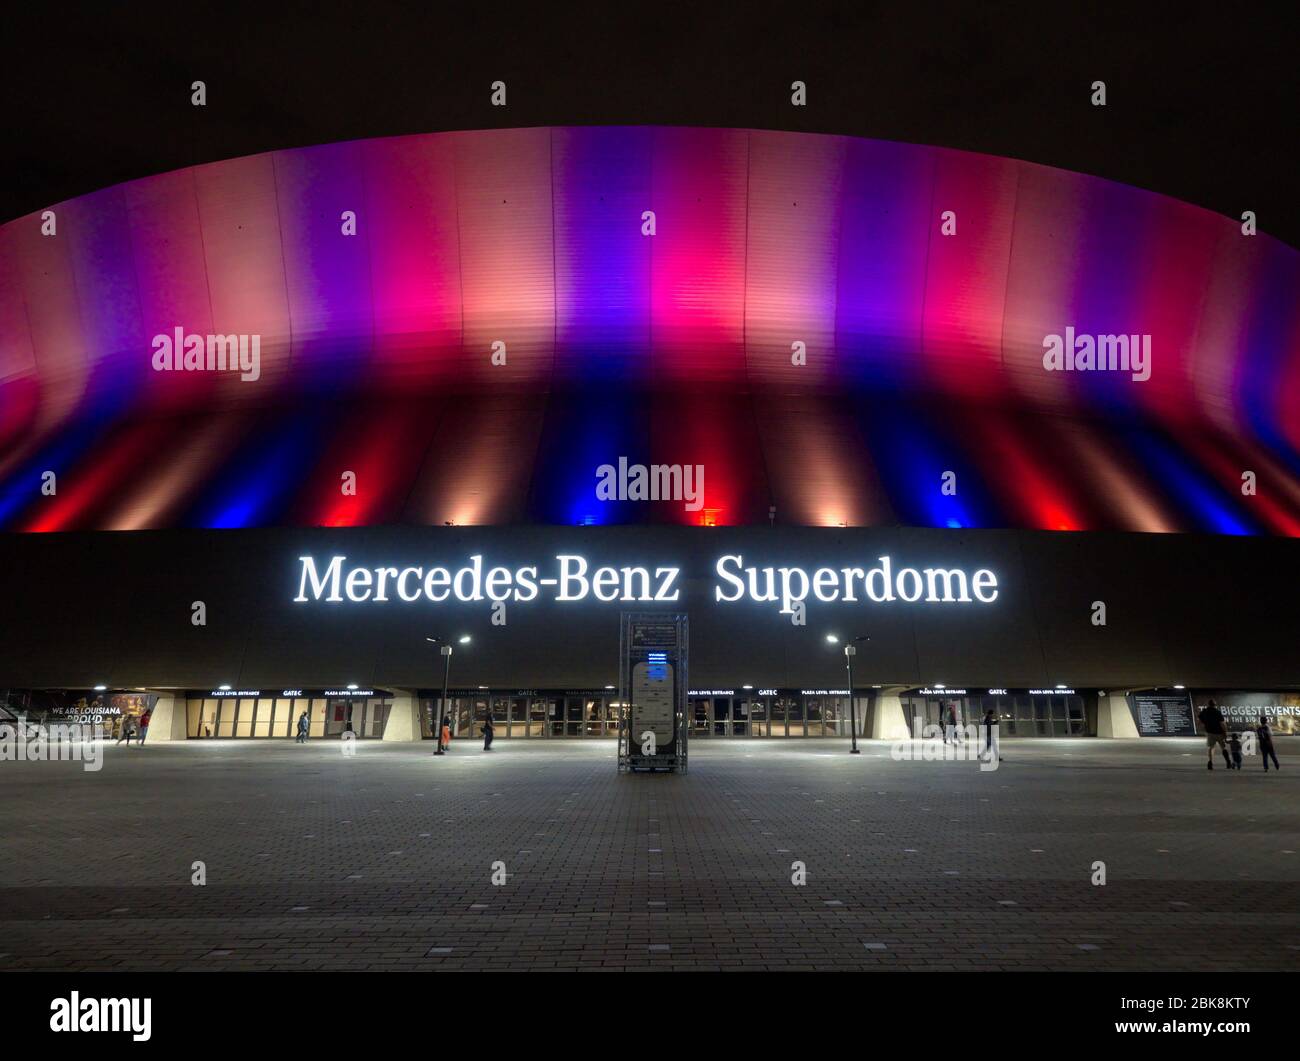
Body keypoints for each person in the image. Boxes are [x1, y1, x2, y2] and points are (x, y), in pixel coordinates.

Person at [1198, 698, 1230, 770]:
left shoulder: (1204, 711)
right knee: (1223, 747)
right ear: (1215, 705)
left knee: (1211, 748)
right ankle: (1228, 762)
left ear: (1208, 704)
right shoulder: (1217, 712)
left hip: (1209, 732)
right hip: (1219, 732)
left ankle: (1210, 762)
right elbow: (1222, 724)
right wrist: (1225, 733)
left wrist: (1206, 725)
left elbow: (1199, 721)